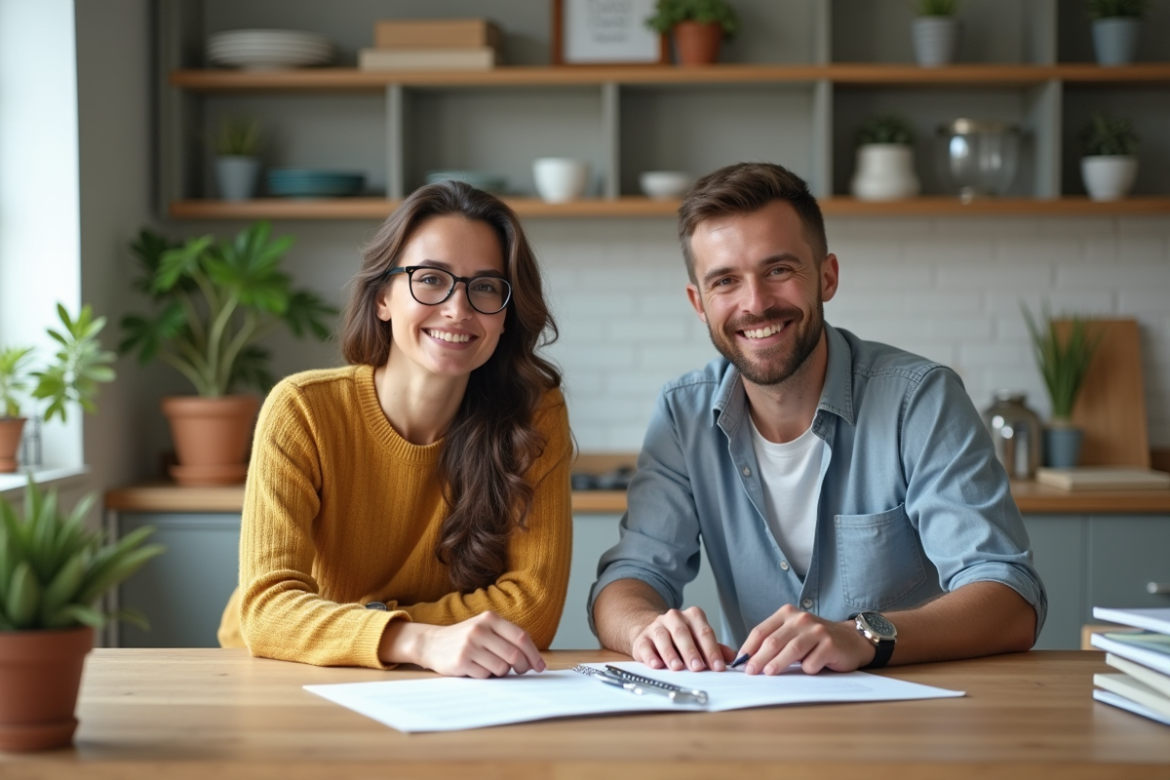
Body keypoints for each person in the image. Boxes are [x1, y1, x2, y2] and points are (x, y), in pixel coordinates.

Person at [589, 162, 1046, 676]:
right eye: (725, 281)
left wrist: (862, 636)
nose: (756, 303)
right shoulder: (683, 415)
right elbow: (627, 579)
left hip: (917, 713)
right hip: (762, 720)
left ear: (826, 277)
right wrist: (645, 628)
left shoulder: (920, 400)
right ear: (699, 303)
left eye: (779, 270)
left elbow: (1010, 599)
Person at [217, 181, 573, 677]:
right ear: (383, 296)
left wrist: (377, 628)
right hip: (285, 672)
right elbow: (267, 611)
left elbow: (532, 609)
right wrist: (415, 638)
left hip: (434, 680)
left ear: (506, 316)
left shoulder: (532, 416)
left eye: (486, 287)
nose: (457, 309)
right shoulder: (301, 411)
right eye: (430, 278)